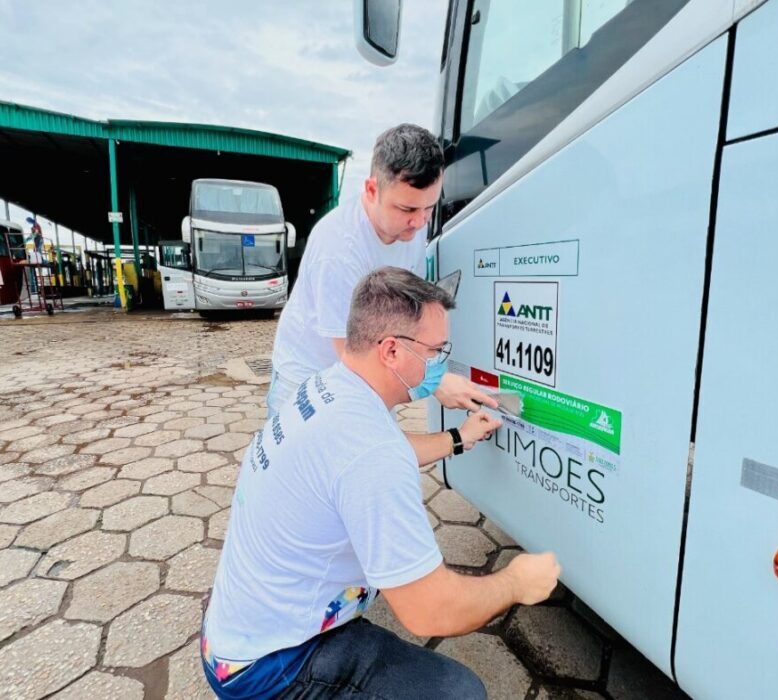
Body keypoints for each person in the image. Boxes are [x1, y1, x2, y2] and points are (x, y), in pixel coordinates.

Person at [202, 267, 562, 699]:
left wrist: (458, 438)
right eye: (437, 350)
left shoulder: (331, 386)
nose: (442, 363)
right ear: (391, 350)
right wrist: (516, 582)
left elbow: (374, 454)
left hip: (235, 633)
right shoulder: (370, 453)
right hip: (269, 667)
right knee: (459, 693)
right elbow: (430, 612)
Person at [268, 123, 496, 416]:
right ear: (372, 189)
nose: (420, 222)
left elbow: (402, 316)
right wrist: (436, 383)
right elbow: (357, 362)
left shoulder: (411, 233)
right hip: (308, 377)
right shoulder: (338, 250)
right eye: (408, 210)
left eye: (429, 208)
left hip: (368, 367)